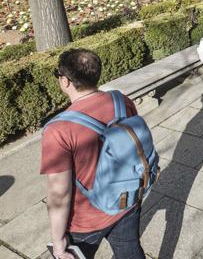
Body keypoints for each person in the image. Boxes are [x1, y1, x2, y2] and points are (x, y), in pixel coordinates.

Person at [41, 49, 146, 259]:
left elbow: (59, 193)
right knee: (131, 251)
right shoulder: (121, 101)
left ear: (65, 81)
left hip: (85, 220)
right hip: (126, 200)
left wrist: (59, 239)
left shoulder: (58, 129)